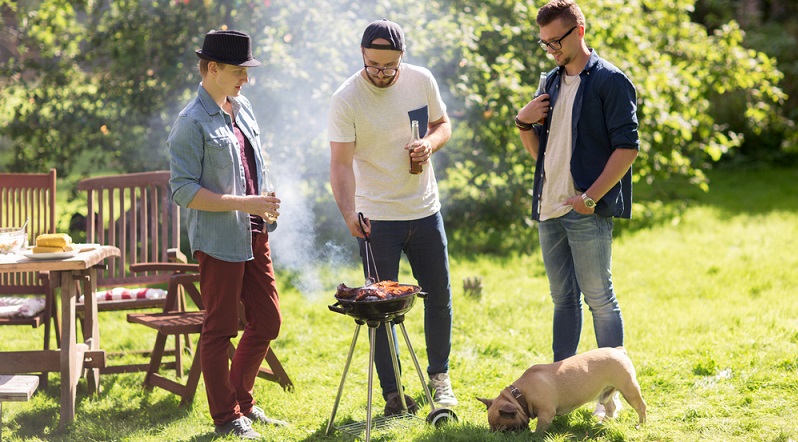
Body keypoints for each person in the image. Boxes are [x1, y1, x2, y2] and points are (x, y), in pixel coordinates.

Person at [514, 0, 639, 418]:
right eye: (544, 42)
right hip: (548, 207)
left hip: (585, 208)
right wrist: (522, 122)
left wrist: (589, 198)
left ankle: (611, 394)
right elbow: (541, 153)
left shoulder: (610, 81)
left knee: (599, 298)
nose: (550, 49)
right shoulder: (547, 81)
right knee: (562, 300)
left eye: (556, 41)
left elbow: (627, 148)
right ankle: (561, 389)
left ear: (579, 31)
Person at [328, 19, 458, 414]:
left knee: (438, 298)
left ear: (402, 58)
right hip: (376, 218)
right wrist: (349, 212)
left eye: (390, 67)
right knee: (379, 310)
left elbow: (442, 124)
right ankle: (393, 394)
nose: (382, 75)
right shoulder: (346, 98)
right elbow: (339, 164)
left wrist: (430, 144)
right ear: (362, 57)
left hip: (424, 209)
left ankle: (440, 380)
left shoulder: (420, 80)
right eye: (374, 66)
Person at [168, 29, 287, 440]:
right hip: (219, 241)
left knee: (268, 321)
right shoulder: (190, 122)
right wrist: (244, 203)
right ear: (212, 68)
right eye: (239, 71)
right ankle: (227, 417)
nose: (246, 79)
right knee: (219, 329)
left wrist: (263, 202)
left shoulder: (243, 107)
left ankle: (242, 400)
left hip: (255, 233)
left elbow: (252, 164)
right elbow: (182, 190)